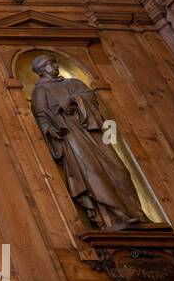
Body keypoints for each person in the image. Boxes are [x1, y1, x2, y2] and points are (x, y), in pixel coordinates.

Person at [29, 54, 155, 230]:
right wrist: (52, 130)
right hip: (71, 136)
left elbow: (91, 99)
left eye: (55, 62)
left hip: (92, 130)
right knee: (92, 172)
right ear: (42, 69)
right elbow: (42, 117)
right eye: (51, 64)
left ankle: (136, 213)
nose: (56, 66)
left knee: (120, 171)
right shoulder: (40, 91)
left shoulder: (73, 83)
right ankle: (116, 216)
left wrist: (73, 99)